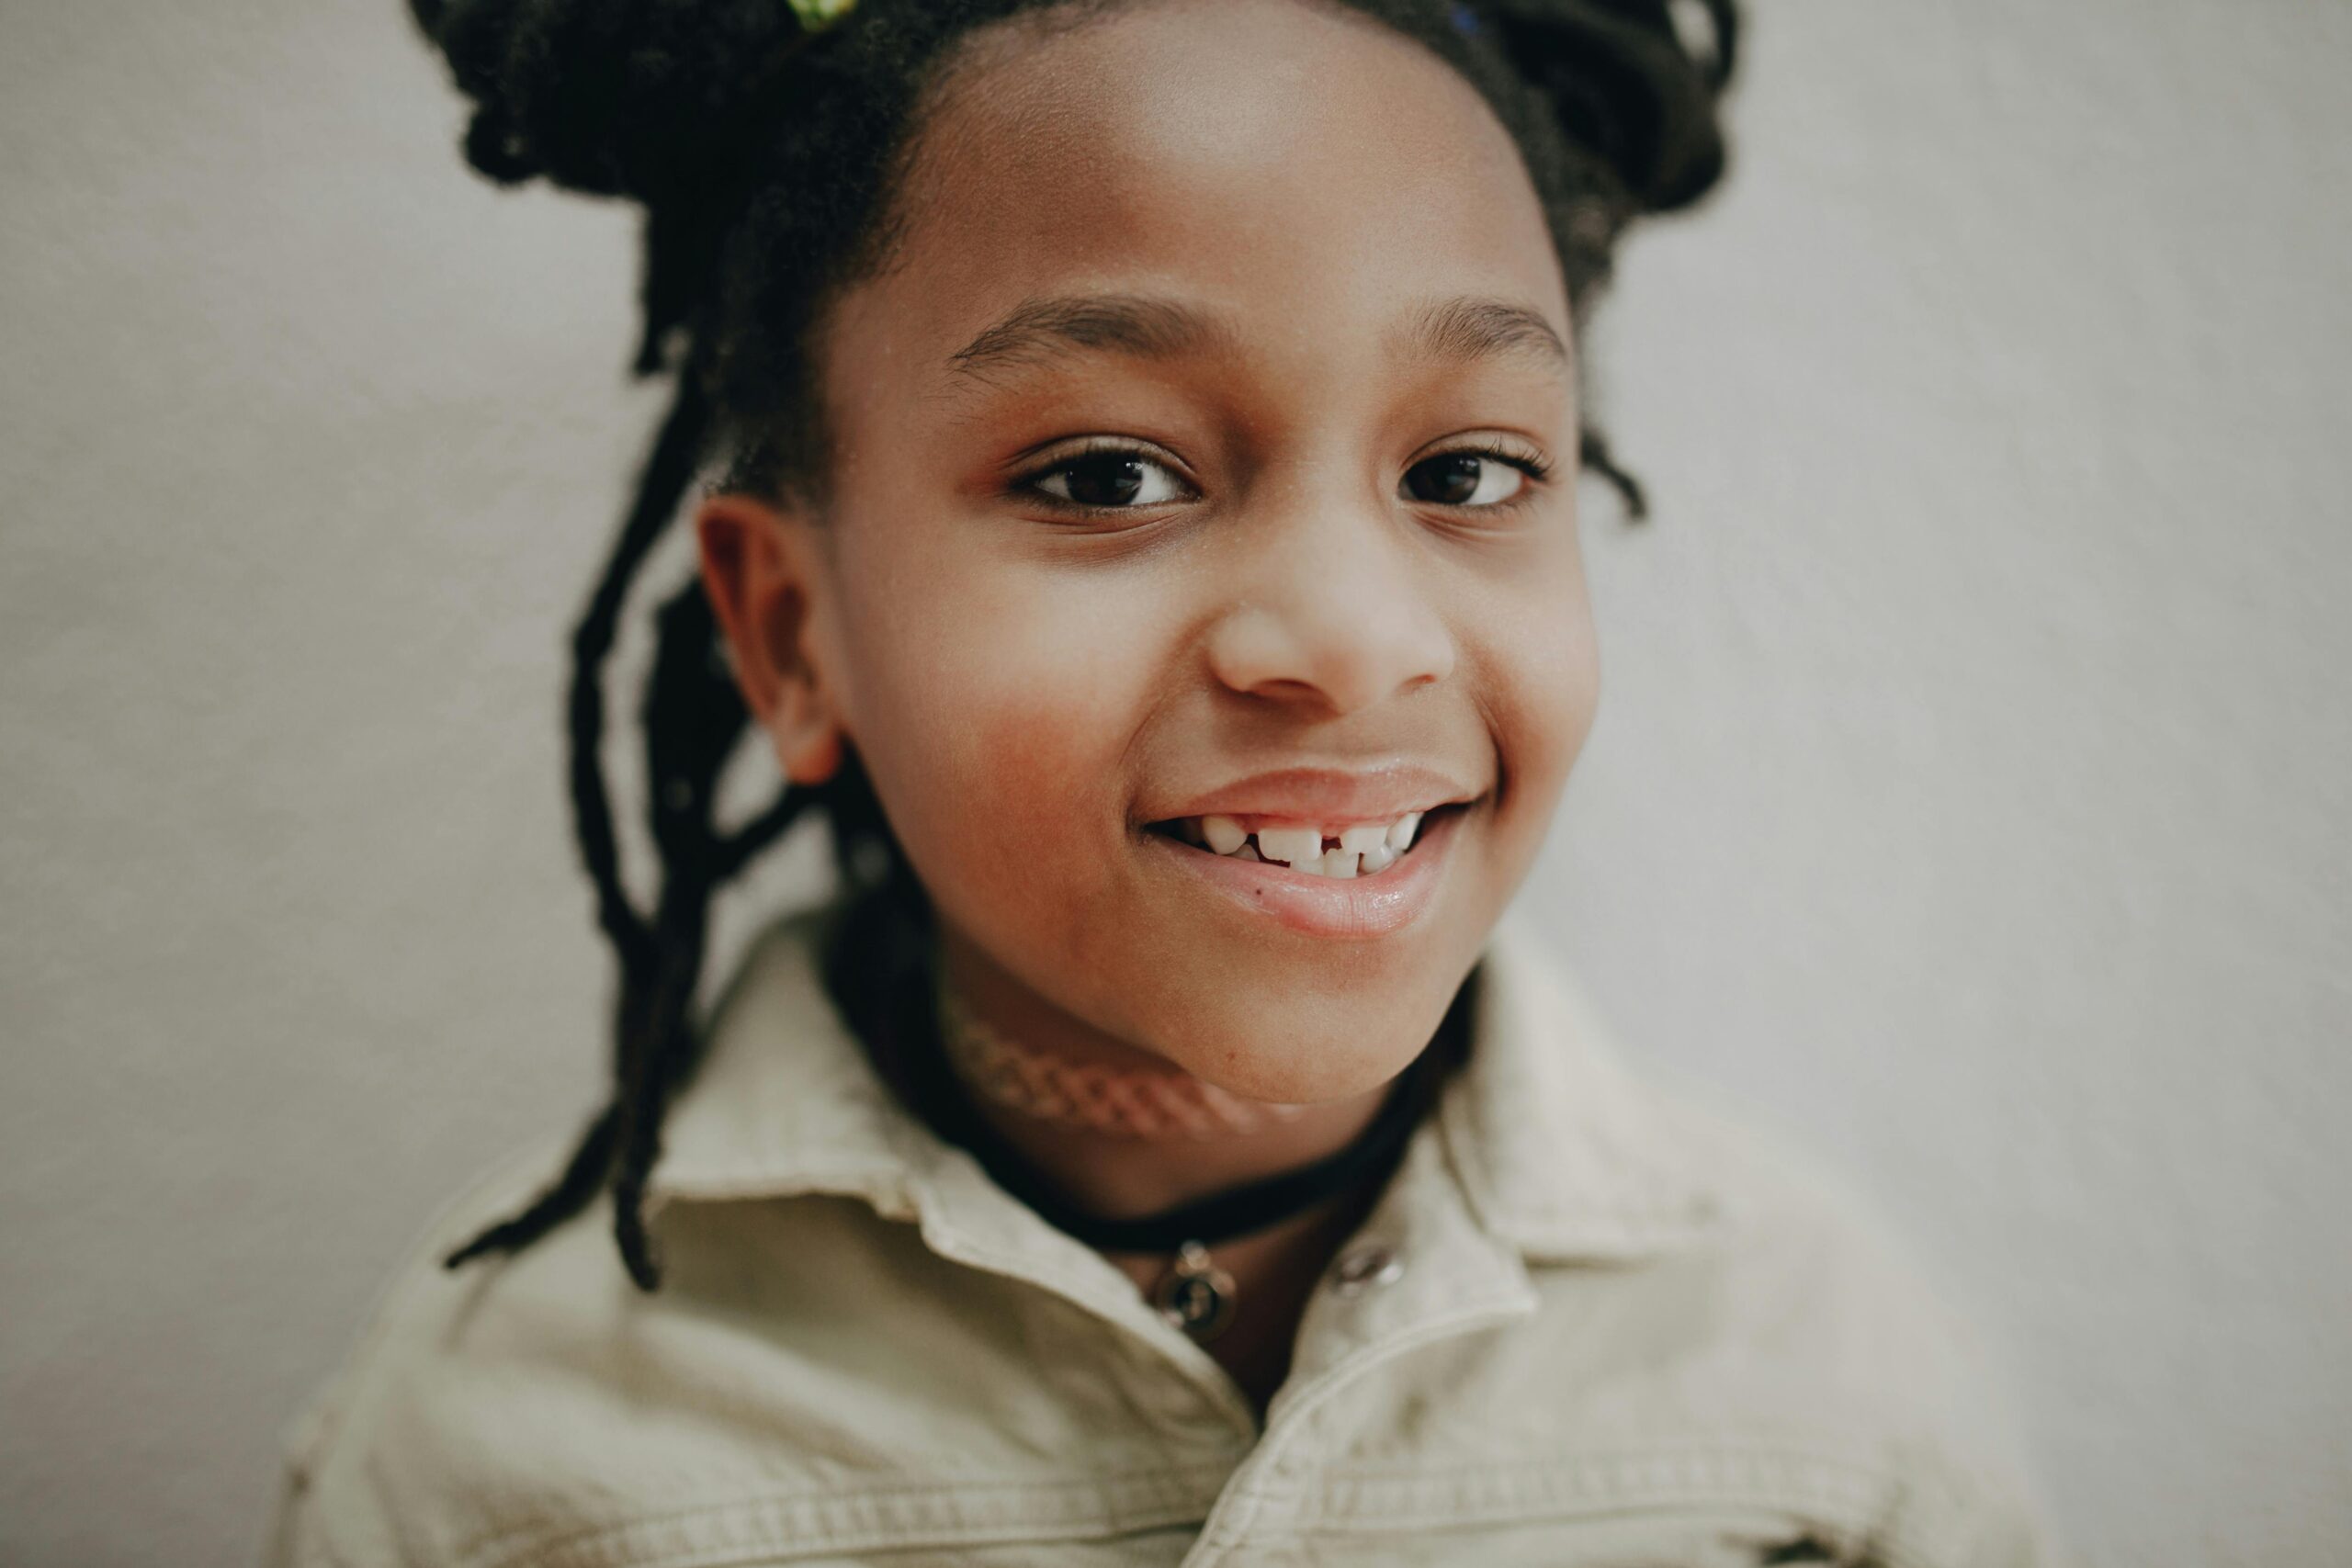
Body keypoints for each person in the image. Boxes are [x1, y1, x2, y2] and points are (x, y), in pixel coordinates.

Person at [265, 1, 2062, 1562]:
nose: (1354, 643)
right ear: (791, 634)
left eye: (1466, 467)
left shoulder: (1805, 1374)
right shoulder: (504, 1444)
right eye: (1110, 475)